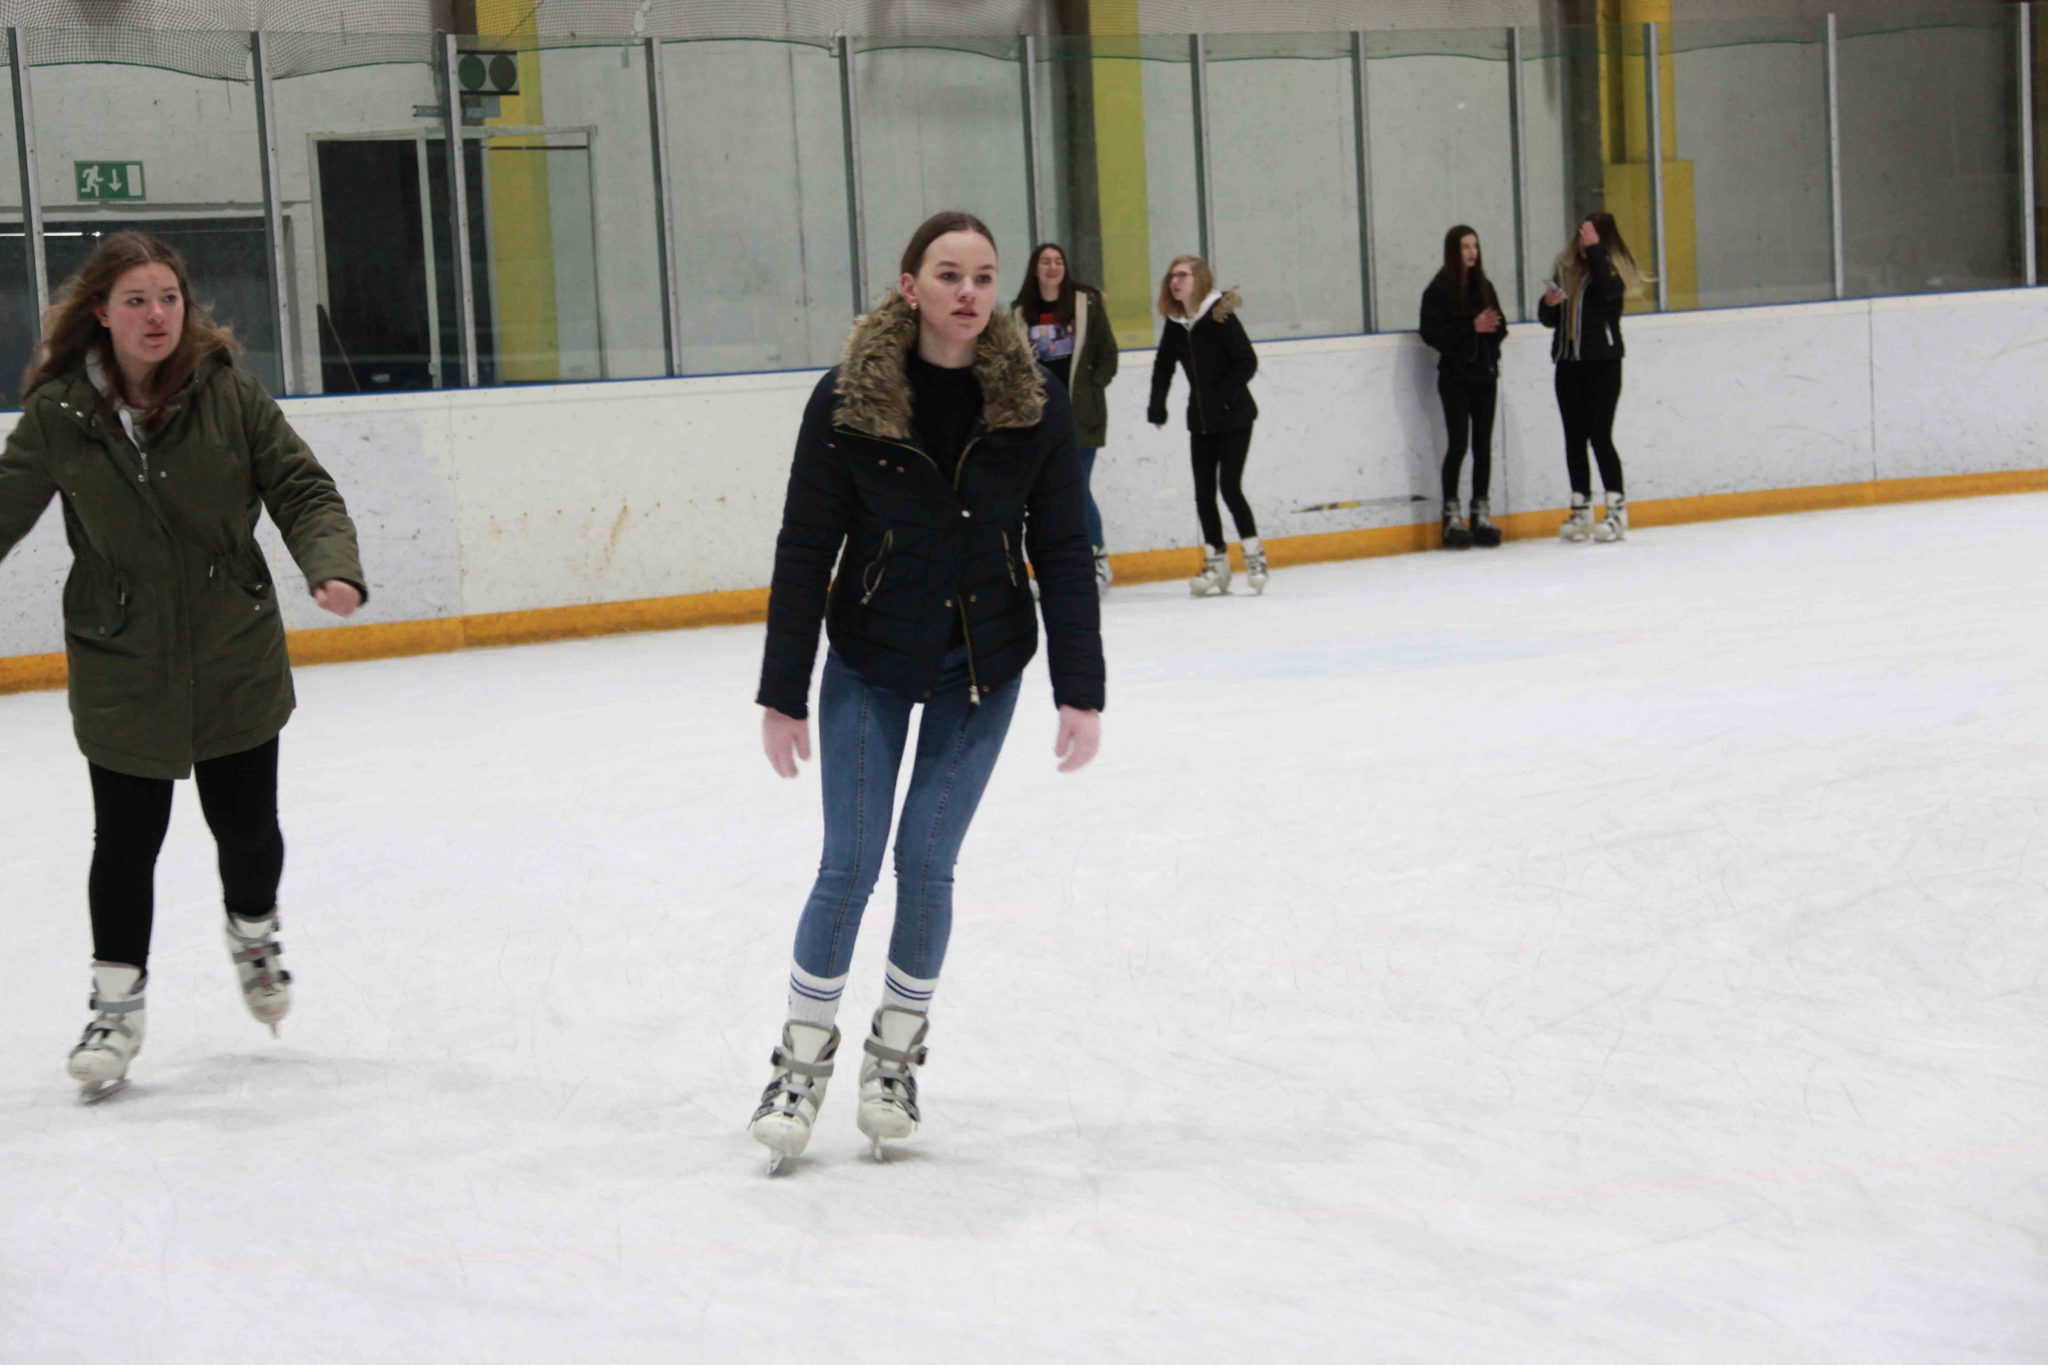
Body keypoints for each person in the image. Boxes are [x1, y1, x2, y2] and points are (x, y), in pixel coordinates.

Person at [751, 210, 1105, 1171]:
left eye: (984, 276)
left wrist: (1080, 687)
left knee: (926, 859)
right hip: (871, 658)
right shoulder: (848, 399)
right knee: (850, 862)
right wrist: (783, 690)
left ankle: (893, 1063)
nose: (969, 292)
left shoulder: (1031, 401)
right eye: (948, 274)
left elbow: (1062, 547)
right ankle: (798, 1067)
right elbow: (805, 546)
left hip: (982, 668)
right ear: (910, 286)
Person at [0, 230, 366, 1101]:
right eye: (136, 300)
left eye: (168, 297)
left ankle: (255, 936)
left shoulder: (227, 392)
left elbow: (301, 486)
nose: (157, 314)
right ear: (102, 313)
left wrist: (331, 564)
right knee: (126, 843)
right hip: (122, 655)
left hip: (232, 645)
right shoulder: (60, 413)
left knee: (246, 830)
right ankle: (115, 1011)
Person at [1148, 255, 1266, 596]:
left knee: (1229, 487)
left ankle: (1255, 557)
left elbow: (1247, 361)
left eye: (1182, 275)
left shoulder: (1219, 316)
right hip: (1200, 421)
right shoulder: (1175, 323)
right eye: (1172, 276)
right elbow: (1163, 366)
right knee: (1203, 494)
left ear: (1199, 279)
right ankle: (1217, 564)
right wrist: (1157, 406)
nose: (1175, 281)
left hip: (1235, 416)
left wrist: (1223, 397)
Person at [1011, 242, 1120, 597]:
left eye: (1058, 260)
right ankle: (1050, 566)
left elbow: (1107, 353)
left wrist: (1091, 387)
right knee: (1042, 496)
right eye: (1045, 261)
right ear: (1035, 269)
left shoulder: (1086, 305)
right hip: (1038, 420)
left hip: (1081, 418)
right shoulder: (1019, 314)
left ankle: (1097, 558)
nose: (1052, 266)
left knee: (1077, 488)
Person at [1539, 211, 1644, 542]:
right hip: (1569, 363)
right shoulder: (1566, 268)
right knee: (1574, 437)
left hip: (1603, 363)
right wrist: (1549, 303)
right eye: (1581, 235)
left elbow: (1609, 293)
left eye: (1591, 236)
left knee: (1600, 434)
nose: (1583, 241)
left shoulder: (1611, 269)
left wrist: (1596, 251)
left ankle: (1616, 509)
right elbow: (1549, 320)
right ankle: (1581, 508)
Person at [1419, 225, 1506, 549]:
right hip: (1455, 379)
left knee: (1483, 446)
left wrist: (1492, 332)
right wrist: (1471, 327)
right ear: (1453, 251)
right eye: (1465, 246)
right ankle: (1451, 517)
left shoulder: (1485, 287)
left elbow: (1500, 326)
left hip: (1485, 376)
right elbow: (1431, 333)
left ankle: (1480, 513)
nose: (1472, 252)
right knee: (1458, 445)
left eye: (1475, 246)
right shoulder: (1439, 289)